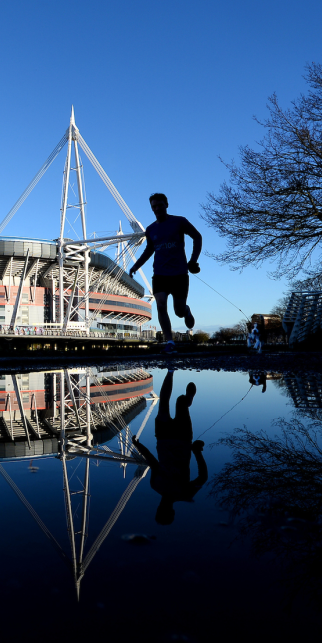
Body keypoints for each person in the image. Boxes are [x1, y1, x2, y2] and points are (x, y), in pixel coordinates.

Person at [132, 369, 207, 525]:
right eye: (165, 511)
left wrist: (139, 446)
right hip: (182, 438)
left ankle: (170, 371)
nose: (162, 507)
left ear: (158, 509)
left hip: (164, 437)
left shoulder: (156, 485)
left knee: (164, 403)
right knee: (180, 401)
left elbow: (153, 462)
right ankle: (188, 399)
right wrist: (196, 452)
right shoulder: (184, 494)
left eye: (161, 510)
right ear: (171, 511)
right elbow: (202, 477)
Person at [129, 193, 202, 354]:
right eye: (154, 206)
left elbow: (197, 236)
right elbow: (149, 250)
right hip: (160, 274)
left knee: (178, 311)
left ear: (166, 205)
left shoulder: (179, 221)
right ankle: (170, 342)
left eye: (160, 205)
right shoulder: (150, 229)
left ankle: (186, 310)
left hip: (179, 274)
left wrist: (193, 260)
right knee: (161, 305)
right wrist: (136, 266)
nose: (157, 209)